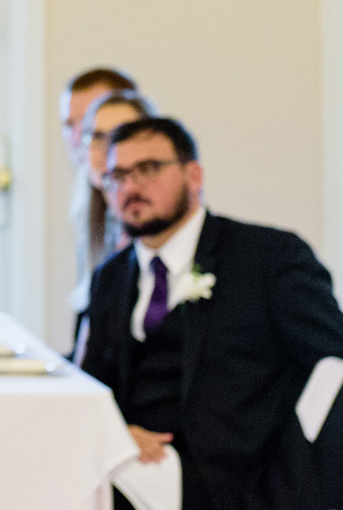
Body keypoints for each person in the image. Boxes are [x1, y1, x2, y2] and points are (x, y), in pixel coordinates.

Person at [80, 116, 343, 510]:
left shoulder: (269, 258)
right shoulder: (109, 278)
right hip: (135, 473)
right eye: (116, 176)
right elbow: (93, 385)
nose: (131, 187)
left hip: (241, 484)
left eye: (148, 169)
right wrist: (116, 434)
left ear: (194, 175)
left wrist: (294, 480)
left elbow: (333, 365)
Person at [71, 88, 155, 318]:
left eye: (121, 135)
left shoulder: (154, 223)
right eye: (97, 137)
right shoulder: (97, 217)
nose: (107, 148)